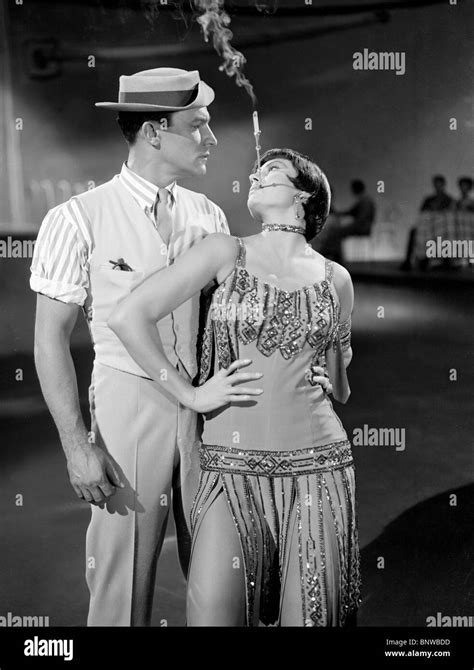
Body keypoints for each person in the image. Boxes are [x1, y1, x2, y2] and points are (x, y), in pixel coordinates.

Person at [109, 148, 361, 627]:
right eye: (256, 170)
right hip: (228, 468)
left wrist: (335, 376)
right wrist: (190, 394)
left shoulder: (337, 279)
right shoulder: (226, 250)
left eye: (271, 172)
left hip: (319, 470)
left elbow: (342, 389)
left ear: (304, 196)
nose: (256, 175)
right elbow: (129, 316)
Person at [29, 67, 232, 626]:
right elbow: (49, 339)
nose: (210, 139)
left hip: (206, 410)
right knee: (122, 589)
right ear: (155, 132)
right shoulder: (75, 219)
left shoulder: (208, 214)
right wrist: (77, 446)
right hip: (127, 410)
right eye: (200, 126)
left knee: (221, 576)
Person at [400, 175, 455, 270]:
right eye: (436, 184)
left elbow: (449, 214)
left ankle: (441, 260)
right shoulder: (429, 199)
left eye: (439, 184)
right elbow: (422, 212)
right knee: (414, 232)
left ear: (443, 185)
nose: (437, 187)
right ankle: (411, 260)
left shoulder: (449, 199)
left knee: (443, 234)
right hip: (427, 226)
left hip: (441, 227)